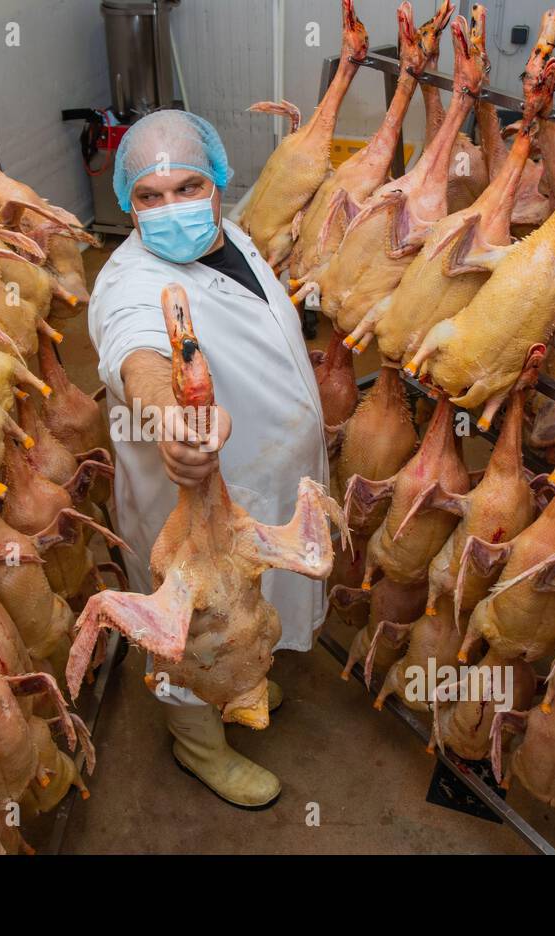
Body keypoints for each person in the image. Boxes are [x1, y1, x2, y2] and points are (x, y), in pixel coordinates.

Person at [86, 110, 329, 809]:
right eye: (149, 197)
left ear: (219, 182)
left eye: (187, 186)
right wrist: (172, 418)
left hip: (263, 478)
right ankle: (198, 746)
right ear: (128, 204)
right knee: (188, 629)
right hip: (187, 493)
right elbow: (139, 354)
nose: (170, 209)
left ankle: (242, 684)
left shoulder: (233, 239)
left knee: (243, 613)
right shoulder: (130, 279)